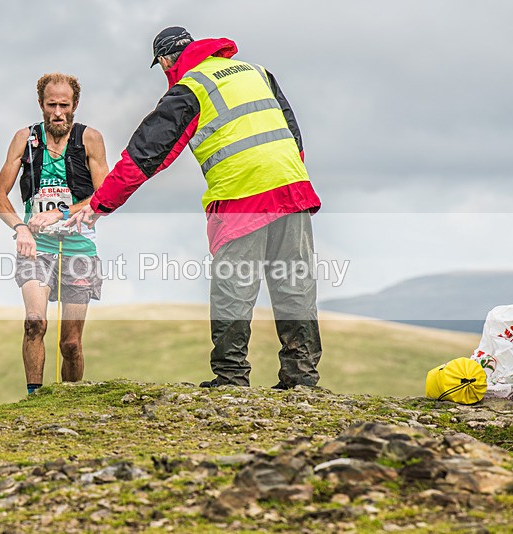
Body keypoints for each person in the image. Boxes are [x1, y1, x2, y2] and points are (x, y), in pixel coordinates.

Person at [68, 27, 322, 389]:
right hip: (292, 186)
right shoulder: (257, 72)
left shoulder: (190, 88)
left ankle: (232, 377)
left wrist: (101, 202)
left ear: (166, 61)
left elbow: (146, 153)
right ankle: (301, 379)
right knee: (294, 283)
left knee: (233, 286)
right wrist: (286, 174)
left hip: (240, 193)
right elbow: (293, 132)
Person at [0, 73, 108, 395]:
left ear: (75, 106)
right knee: (34, 323)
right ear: (41, 104)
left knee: (70, 343)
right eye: (51, 104)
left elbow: (106, 196)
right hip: (36, 248)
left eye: (64, 105)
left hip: (79, 248)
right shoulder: (24, 139)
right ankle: (34, 398)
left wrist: (63, 212)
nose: (58, 112)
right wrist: (20, 227)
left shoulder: (90, 139)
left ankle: (70, 403)